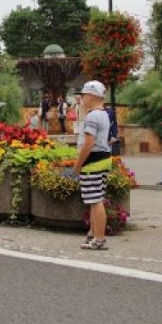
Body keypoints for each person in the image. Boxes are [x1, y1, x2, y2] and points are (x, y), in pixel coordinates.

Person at [73, 81, 111, 250]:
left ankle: (99, 238)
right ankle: (93, 234)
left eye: (83, 95)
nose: (81, 98)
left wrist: (77, 164)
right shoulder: (103, 114)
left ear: (92, 96)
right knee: (95, 199)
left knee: (95, 201)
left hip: (92, 161)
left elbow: (88, 143)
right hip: (103, 158)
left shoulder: (92, 116)